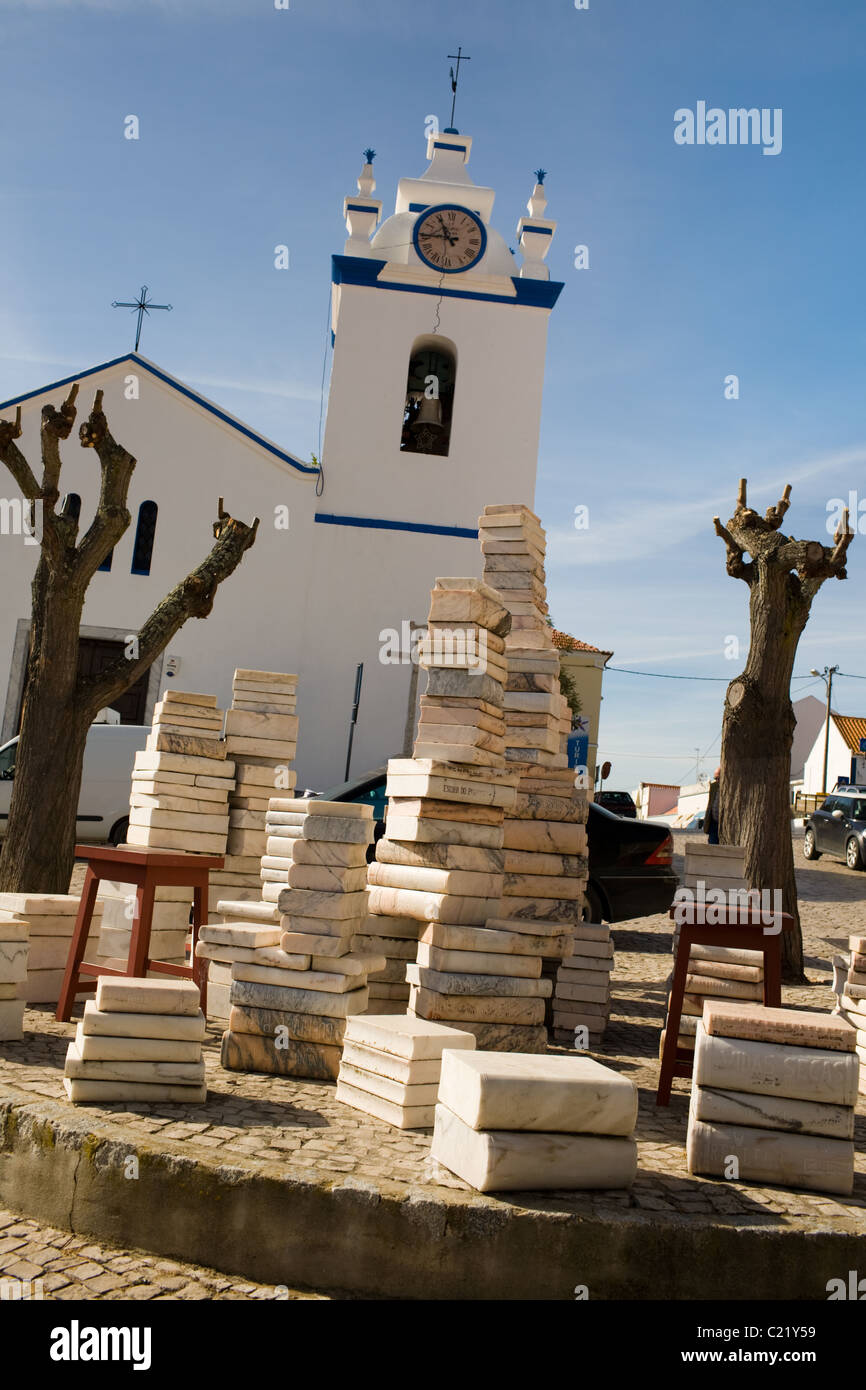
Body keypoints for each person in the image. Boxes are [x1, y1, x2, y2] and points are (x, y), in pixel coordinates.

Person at [705, 767, 721, 844]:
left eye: (719, 778)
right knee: (712, 846)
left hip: (723, 823)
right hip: (713, 822)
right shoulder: (713, 786)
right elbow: (710, 803)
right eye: (715, 778)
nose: (717, 781)